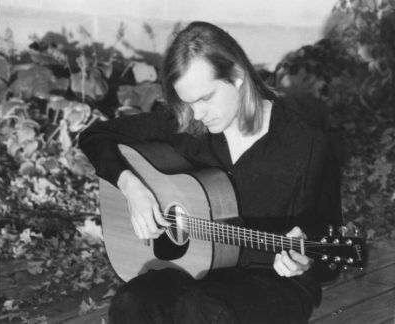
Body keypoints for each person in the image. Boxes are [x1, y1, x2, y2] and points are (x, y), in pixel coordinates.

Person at [79, 21, 342, 324]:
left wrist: (304, 261)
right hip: (197, 270)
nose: (198, 114)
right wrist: (133, 189)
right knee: (132, 301)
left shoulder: (306, 144)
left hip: (274, 282)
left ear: (238, 77)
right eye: (188, 102)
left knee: (204, 311)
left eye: (205, 98)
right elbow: (95, 137)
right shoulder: (188, 124)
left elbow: (330, 254)